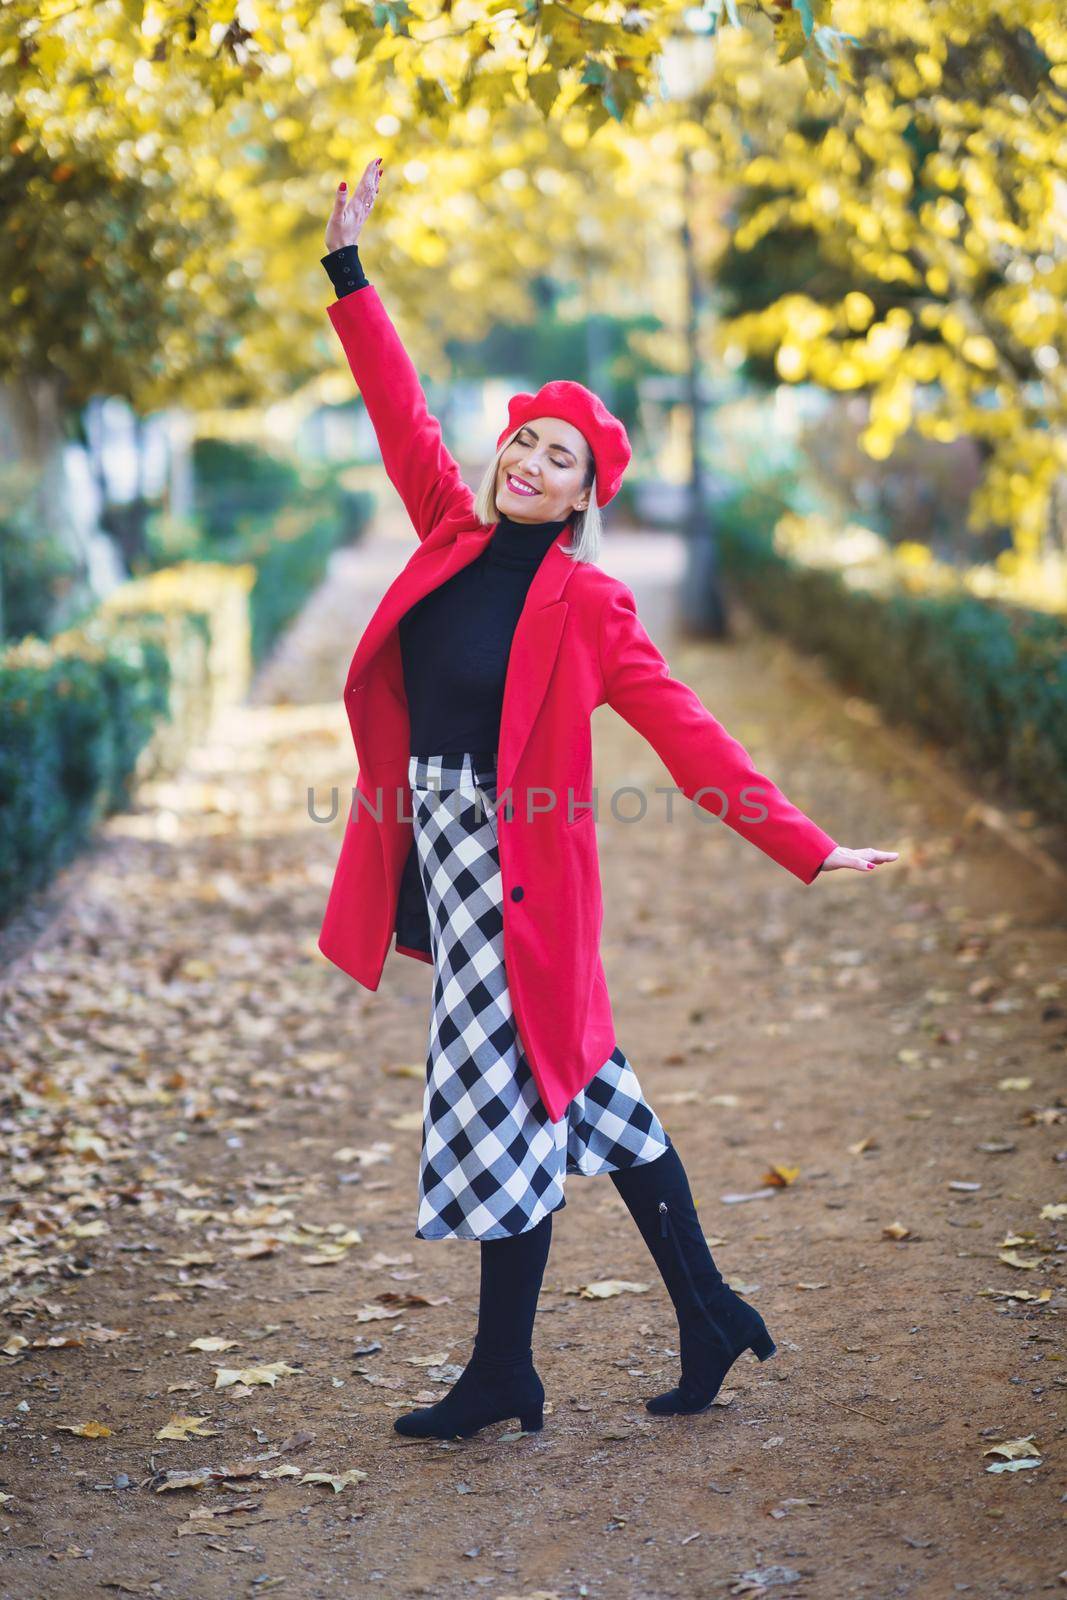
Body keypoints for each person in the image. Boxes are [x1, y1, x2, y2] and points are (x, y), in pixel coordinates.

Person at [319, 157, 899, 1441]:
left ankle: (503, 1371)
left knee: (505, 1097)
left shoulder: (588, 604)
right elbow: (396, 407)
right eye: (521, 439)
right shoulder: (445, 531)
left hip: (520, 880)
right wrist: (351, 274)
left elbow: (687, 735)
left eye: (557, 456)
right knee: (577, 1091)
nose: (527, 459)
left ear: (587, 494)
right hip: (445, 852)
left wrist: (802, 844)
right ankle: (703, 1310)